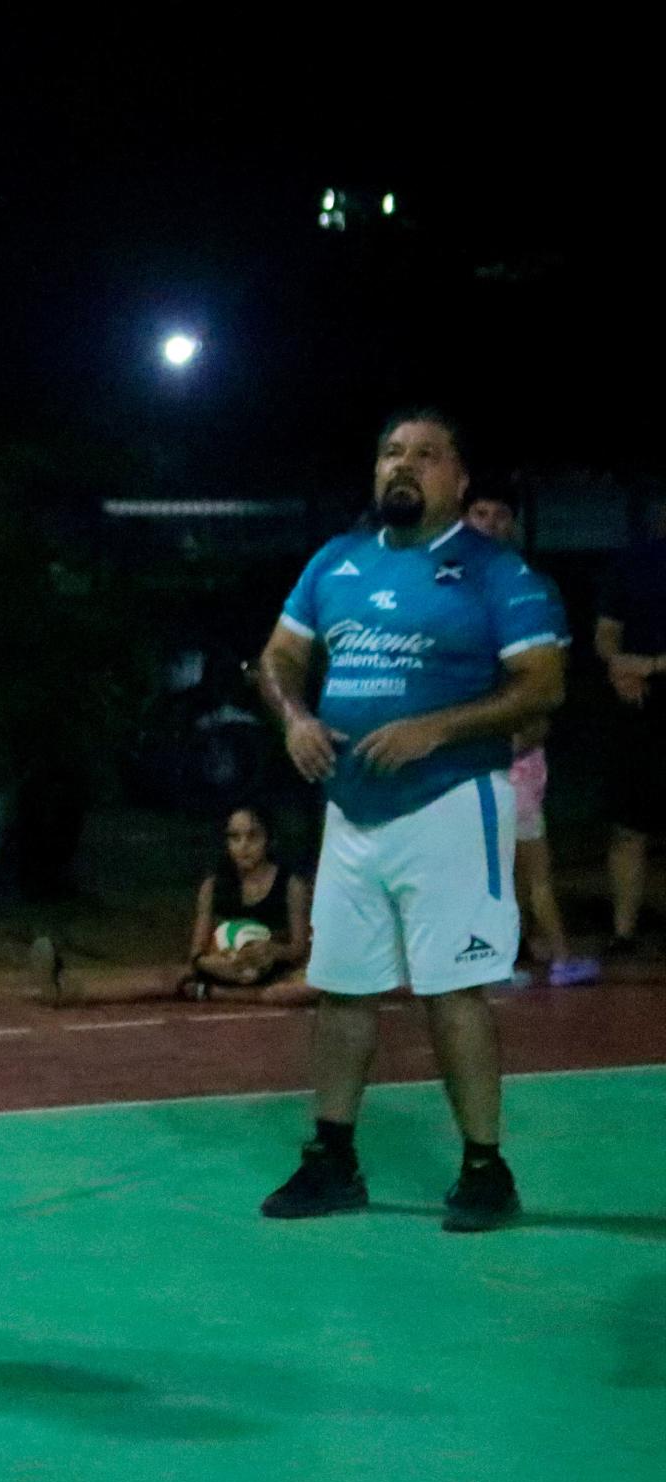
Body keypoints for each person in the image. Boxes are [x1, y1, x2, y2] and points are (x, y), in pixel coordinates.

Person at [256, 408, 567, 1234]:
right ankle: (332, 1160)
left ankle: (485, 1169)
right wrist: (295, 717)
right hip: (352, 815)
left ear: (459, 482)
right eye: (392, 452)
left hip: (453, 805)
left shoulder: (498, 573)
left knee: (453, 990)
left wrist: (437, 727)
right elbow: (281, 655)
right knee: (344, 989)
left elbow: (543, 685)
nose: (405, 465)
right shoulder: (338, 561)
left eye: (426, 456)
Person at [462, 484, 598, 984]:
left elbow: (550, 680)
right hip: (467, 756)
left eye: (500, 515)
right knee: (482, 870)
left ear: (512, 526)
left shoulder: (535, 588)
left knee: (526, 865)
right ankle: (502, 958)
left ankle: (546, 956)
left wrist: (524, 732)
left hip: (518, 754)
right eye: (480, 513)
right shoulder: (443, 584)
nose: (490, 524)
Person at [28, 803, 316, 1007]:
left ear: (269, 840)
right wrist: (218, 964)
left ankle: (211, 994)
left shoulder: (291, 886)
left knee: (300, 991)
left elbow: (298, 949)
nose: (244, 846)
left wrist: (270, 951)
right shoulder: (213, 886)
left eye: (253, 836)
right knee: (166, 978)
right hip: (224, 967)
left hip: (270, 974)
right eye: (234, 837)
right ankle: (66, 990)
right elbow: (196, 953)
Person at [594, 499, 666, 958]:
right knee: (628, 826)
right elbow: (605, 632)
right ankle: (624, 933)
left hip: (649, 683)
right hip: (637, 710)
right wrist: (618, 663)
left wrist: (653, 664)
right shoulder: (632, 563)